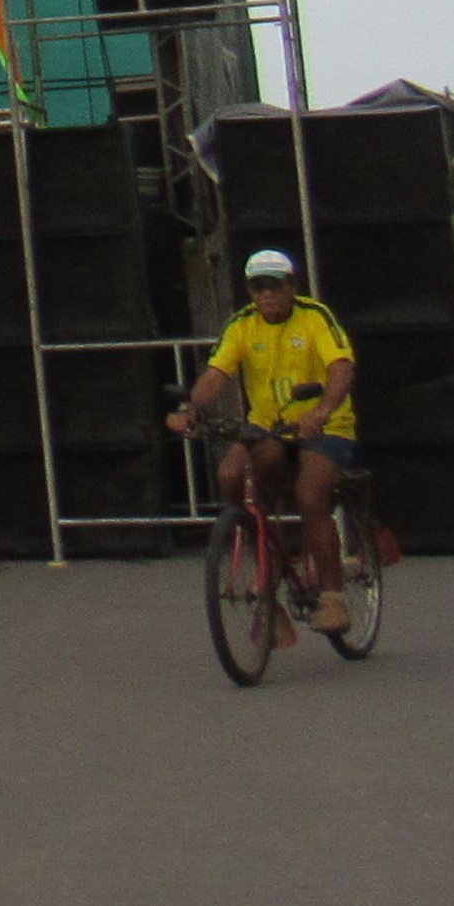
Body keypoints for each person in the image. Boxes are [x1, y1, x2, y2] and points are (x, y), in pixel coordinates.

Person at [167, 248, 360, 635]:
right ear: (249, 290)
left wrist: (322, 410)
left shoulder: (315, 317)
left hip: (324, 426)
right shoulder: (242, 324)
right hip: (267, 426)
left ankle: (333, 598)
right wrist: (191, 410)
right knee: (230, 475)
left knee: (310, 496)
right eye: (259, 287)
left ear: (292, 285)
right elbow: (215, 374)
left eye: (275, 285)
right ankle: (265, 559)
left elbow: (341, 368)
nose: (267, 294)